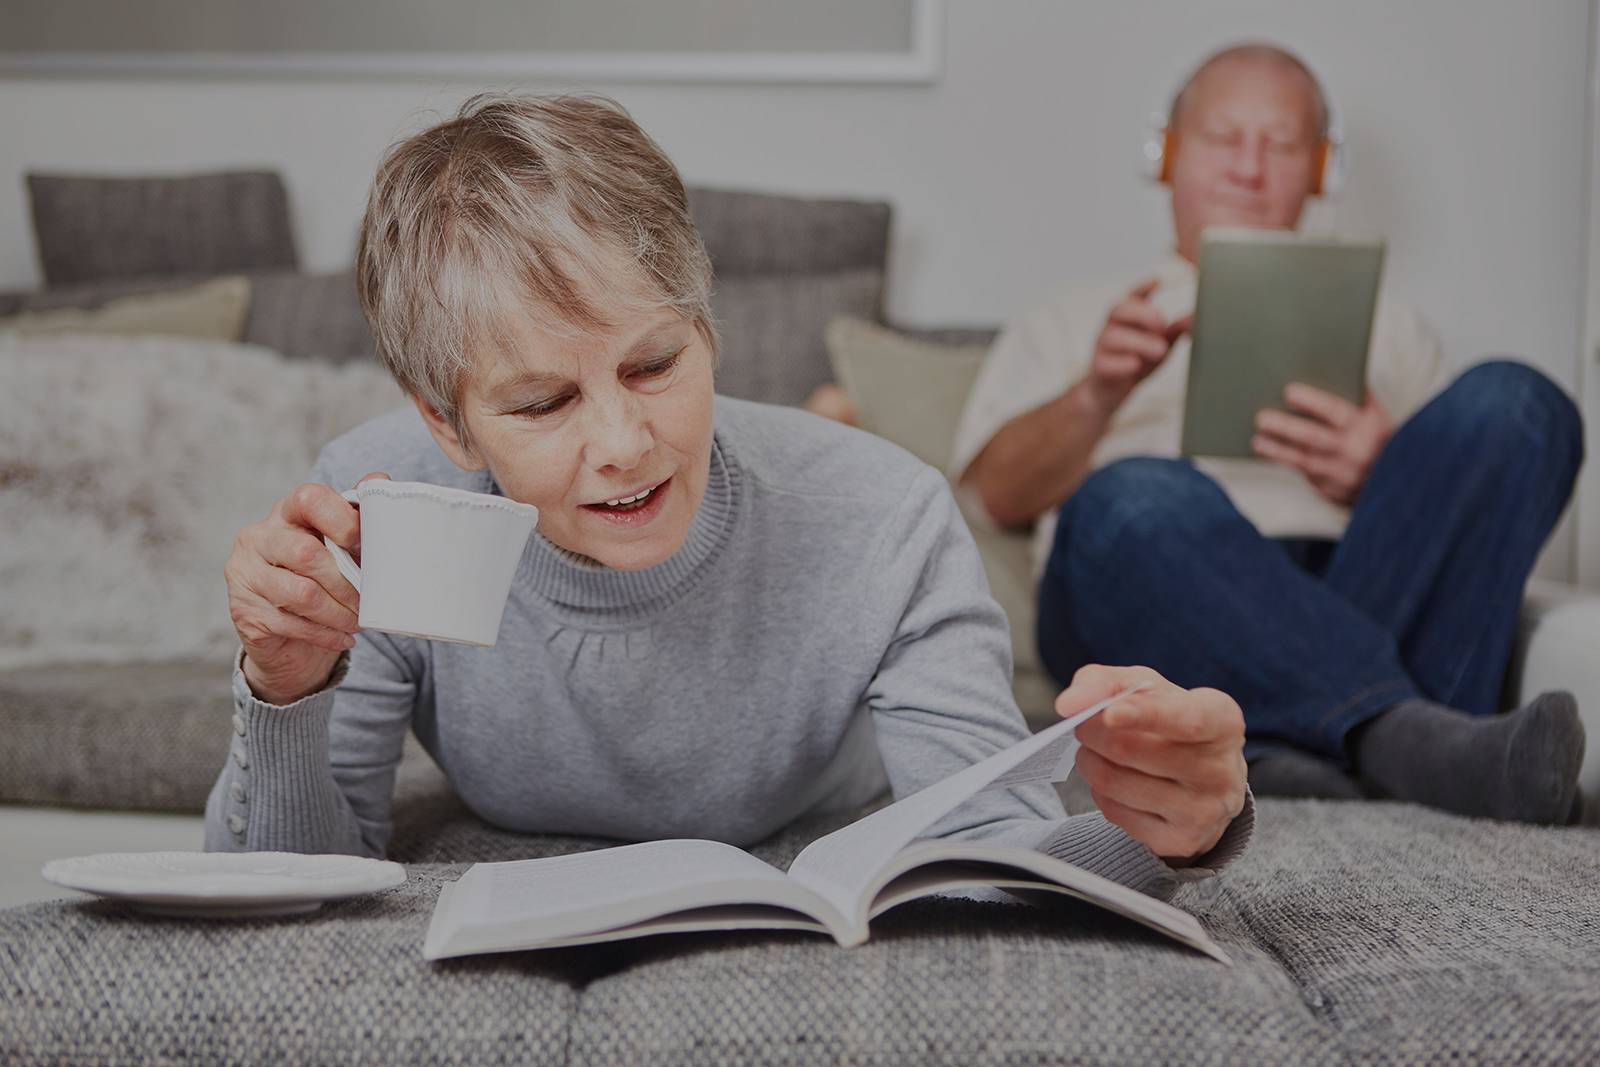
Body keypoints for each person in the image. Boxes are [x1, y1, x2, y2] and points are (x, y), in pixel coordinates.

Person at [207, 94, 1252, 901]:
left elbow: (996, 854)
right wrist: (285, 687)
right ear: (447, 420)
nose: (624, 445)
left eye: (656, 364)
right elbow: (284, 876)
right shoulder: (386, 499)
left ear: (706, 327)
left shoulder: (885, 512)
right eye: (542, 402)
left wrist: (1177, 829)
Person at [950, 43, 1586, 823]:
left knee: (1519, 401)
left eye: (1282, 146)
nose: (1249, 169)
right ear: (1166, 154)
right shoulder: (1074, 315)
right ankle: (1411, 738)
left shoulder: (1391, 329)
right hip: (1146, 590)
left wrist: (1381, 471)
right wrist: (1097, 393)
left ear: (1323, 169)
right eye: (1222, 139)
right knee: (1133, 492)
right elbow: (992, 496)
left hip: (1354, 584)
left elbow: (1457, 524)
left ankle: (1309, 751)